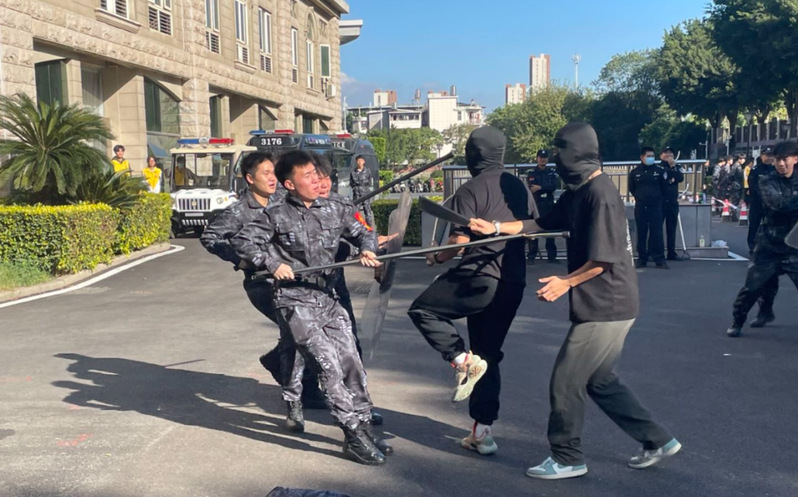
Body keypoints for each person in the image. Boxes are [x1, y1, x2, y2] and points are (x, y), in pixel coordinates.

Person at [469, 122, 680, 480]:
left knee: (565, 381)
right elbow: (540, 224)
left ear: (578, 152)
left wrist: (565, 282)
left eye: (560, 151)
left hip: (607, 305)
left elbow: (604, 259)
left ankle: (567, 457)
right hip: (609, 303)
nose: (555, 158)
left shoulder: (601, 195)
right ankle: (658, 439)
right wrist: (496, 228)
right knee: (599, 380)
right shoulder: (578, 192)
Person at [231, 150, 389, 466]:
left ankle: (364, 426)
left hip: (328, 298)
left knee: (351, 362)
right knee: (328, 366)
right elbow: (243, 242)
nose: (316, 181)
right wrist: (272, 263)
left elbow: (364, 232)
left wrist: (367, 249)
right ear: (289, 184)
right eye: (308, 176)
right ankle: (351, 434)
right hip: (295, 302)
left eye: (317, 174)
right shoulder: (274, 215)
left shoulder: (335, 208)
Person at [407, 126, 532, 456]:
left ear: (473, 154)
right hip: (513, 281)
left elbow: (459, 242)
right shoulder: (519, 186)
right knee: (487, 356)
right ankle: (482, 433)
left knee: (423, 309)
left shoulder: (469, 189)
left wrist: (436, 256)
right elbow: (532, 228)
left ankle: (460, 360)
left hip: (478, 275)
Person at [200, 152, 326, 431]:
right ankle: (300, 396)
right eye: (265, 173)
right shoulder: (239, 211)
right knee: (295, 332)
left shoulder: (282, 201)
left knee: (302, 332)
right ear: (250, 178)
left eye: (274, 173)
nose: (272, 178)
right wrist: (242, 259)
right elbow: (210, 237)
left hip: (293, 281)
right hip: (262, 284)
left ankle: (289, 375)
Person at [727, 140, 798, 338]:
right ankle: (738, 321)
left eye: (785, 159)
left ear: (795, 159)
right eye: (777, 160)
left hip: (795, 246)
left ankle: (765, 313)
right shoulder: (766, 180)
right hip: (769, 244)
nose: (781, 164)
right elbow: (778, 205)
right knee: (754, 287)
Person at [629, 147, 668, 268]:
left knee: (657, 233)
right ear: (642, 157)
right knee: (641, 233)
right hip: (641, 206)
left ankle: (659, 259)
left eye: (652, 156)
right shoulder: (635, 172)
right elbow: (632, 188)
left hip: (655, 206)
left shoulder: (659, 171)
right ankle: (642, 258)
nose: (651, 158)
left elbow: (664, 188)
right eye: (648, 156)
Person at [526, 149, 559, 264]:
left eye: (544, 157)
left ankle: (552, 257)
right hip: (536, 204)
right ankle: (531, 257)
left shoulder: (551, 173)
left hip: (548, 205)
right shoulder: (532, 172)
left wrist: (540, 187)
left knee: (550, 231)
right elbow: (531, 187)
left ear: (548, 159)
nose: (542, 159)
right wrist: (544, 187)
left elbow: (553, 186)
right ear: (537, 158)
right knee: (533, 231)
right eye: (540, 157)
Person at [660, 147, 686, 261]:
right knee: (657, 228)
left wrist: (673, 167)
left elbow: (680, 178)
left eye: (671, 153)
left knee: (671, 228)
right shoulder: (658, 167)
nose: (669, 155)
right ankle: (657, 252)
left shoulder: (677, 166)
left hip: (672, 201)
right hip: (660, 201)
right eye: (666, 153)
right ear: (661, 155)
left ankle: (671, 252)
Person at [350, 155, 375, 228]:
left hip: (365, 193)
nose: (359, 162)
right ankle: (357, 228)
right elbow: (351, 183)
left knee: (367, 211)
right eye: (358, 161)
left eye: (361, 161)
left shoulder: (367, 171)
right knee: (356, 212)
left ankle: (369, 227)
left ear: (364, 161)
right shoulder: (353, 172)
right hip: (357, 194)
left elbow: (370, 181)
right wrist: (355, 189)